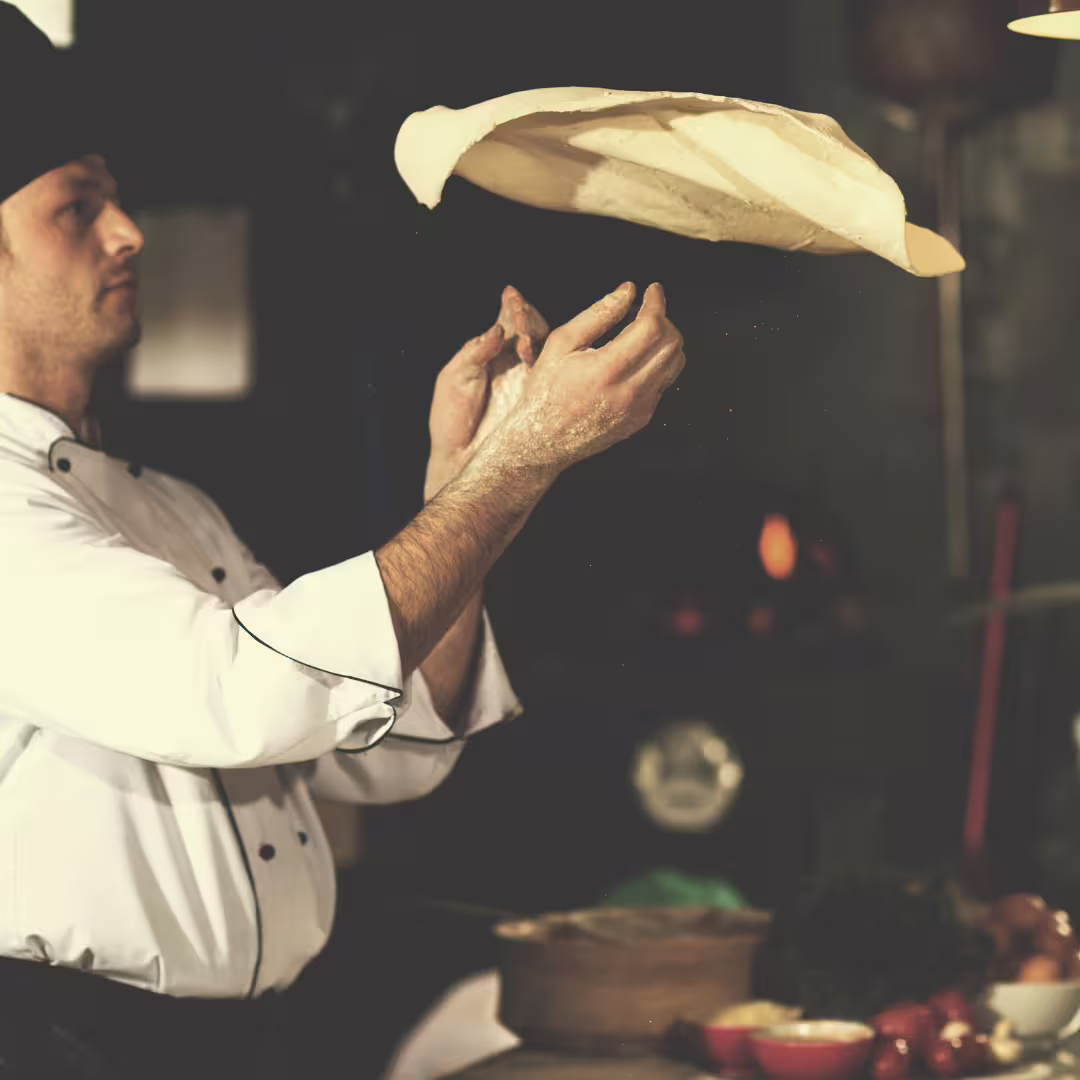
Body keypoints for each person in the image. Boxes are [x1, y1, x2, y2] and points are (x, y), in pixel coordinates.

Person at [0, 5, 686, 1078]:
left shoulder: (170, 509)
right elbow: (245, 692)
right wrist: (522, 465)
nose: (130, 231)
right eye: (77, 208)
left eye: (116, 198)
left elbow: (383, 755)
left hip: (248, 1046)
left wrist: (461, 482)